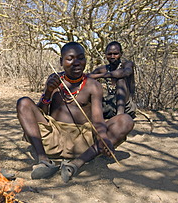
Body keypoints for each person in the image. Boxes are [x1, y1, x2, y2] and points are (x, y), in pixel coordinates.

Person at [16, 42, 134, 182]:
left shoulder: (93, 86)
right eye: (70, 58)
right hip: (52, 138)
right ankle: (43, 161)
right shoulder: (54, 80)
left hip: (82, 143)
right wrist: (48, 92)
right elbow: (42, 113)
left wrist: (104, 138)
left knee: (125, 120)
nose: (76, 63)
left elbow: (98, 119)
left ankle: (75, 164)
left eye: (80, 58)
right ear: (61, 61)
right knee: (23, 103)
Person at [88, 41, 137, 119]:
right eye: (109, 54)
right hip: (110, 105)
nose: (112, 56)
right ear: (105, 55)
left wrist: (100, 76)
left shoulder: (127, 64)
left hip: (126, 106)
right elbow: (88, 77)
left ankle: (119, 116)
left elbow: (126, 72)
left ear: (121, 54)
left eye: (115, 54)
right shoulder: (103, 69)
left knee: (120, 80)